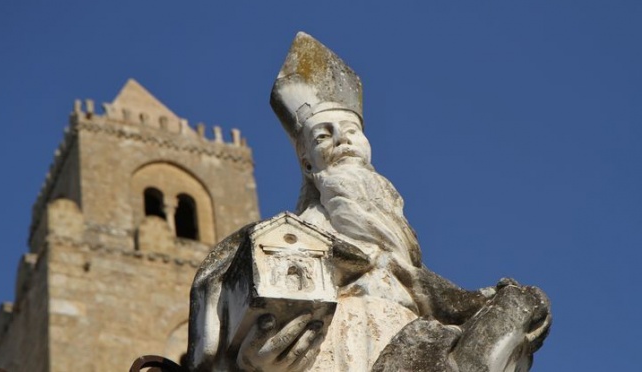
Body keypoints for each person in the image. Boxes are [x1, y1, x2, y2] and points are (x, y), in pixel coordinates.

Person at [186, 32, 550, 372]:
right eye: (323, 135)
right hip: (330, 344)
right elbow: (217, 323)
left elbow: (422, 287)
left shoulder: (397, 245)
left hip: (403, 336)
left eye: (352, 132)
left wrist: (493, 303)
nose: (342, 141)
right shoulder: (279, 239)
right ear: (306, 161)